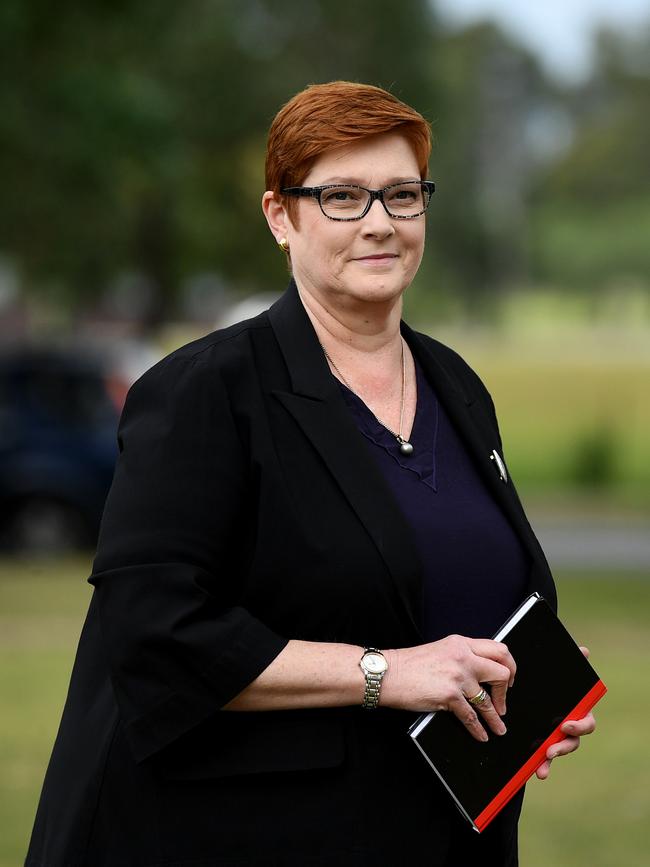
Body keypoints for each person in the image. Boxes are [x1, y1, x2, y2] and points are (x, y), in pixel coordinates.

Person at [26, 81, 596, 867]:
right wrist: (387, 673)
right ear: (279, 217)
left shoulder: (456, 384)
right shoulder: (204, 391)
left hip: (441, 833)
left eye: (402, 195)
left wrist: (524, 687)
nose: (379, 223)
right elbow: (153, 636)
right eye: (341, 197)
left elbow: (455, 585)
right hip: (249, 834)